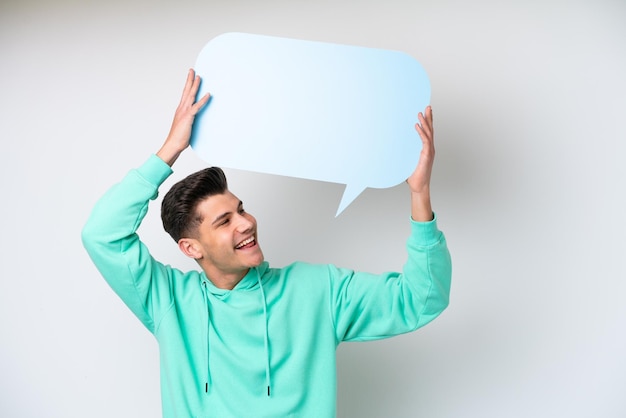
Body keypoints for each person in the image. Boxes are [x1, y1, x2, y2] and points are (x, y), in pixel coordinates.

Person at [82, 69, 452, 418]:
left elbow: (422, 298)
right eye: (225, 221)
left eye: (241, 210)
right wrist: (170, 150)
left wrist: (420, 194)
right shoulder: (168, 300)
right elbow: (102, 234)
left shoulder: (317, 290)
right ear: (191, 248)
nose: (246, 223)